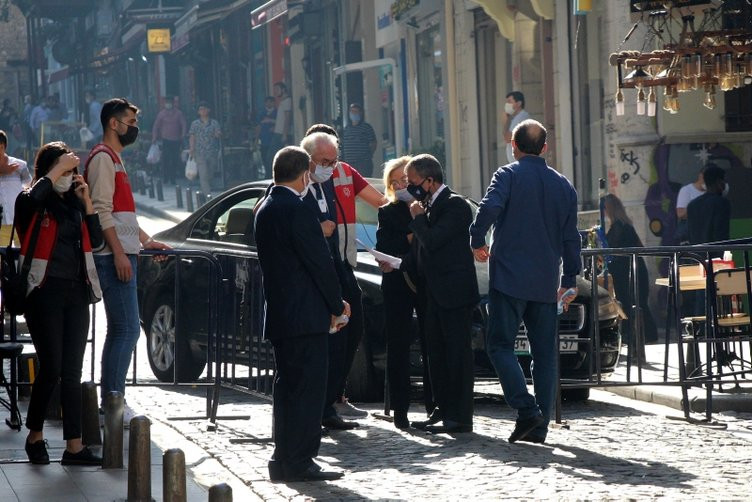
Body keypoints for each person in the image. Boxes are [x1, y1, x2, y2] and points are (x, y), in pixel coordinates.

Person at [470, 119, 580, 444]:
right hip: (547, 280)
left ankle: (526, 410)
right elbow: (571, 238)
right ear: (545, 148)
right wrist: (570, 277)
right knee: (545, 355)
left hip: (509, 278)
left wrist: (477, 238)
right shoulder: (564, 185)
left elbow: (489, 208)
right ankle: (540, 427)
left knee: (500, 346)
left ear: (513, 147)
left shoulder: (507, 175)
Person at [255, 145, 349, 482]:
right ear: (304, 174)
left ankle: (284, 458)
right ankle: (301, 460)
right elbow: (319, 263)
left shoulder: (265, 206)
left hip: (281, 314)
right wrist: (337, 305)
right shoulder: (296, 209)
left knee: (287, 390)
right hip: (306, 315)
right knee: (308, 391)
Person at [16, 142, 103, 465]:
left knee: (71, 371)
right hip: (44, 291)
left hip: (77, 293)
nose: (69, 175)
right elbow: (28, 201)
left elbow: (95, 241)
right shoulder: (34, 202)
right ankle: (35, 436)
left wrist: (88, 203)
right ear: (49, 172)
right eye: (64, 170)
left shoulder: (74, 204)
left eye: (71, 170)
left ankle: (74, 446)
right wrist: (54, 172)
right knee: (50, 367)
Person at [381, 154, 479, 434]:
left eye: (412, 182)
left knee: (456, 354)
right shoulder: (427, 207)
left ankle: (460, 416)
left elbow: (433, 241)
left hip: (454, 293)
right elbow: (420, 253)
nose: (408, 188)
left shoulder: (455, 205)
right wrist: (397, 264)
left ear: (430, 181)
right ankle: (442, 408)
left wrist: (418, 218)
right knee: (435, 353)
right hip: (433, 292)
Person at [85, 98, 170, 415]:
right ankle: (112, 398)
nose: (134, 128)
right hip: (112, 257)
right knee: (127, 329)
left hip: (120, 253)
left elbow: (124, 217)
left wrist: (148, 241)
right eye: (130, 122)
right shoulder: (104, 159)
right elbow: (102, 213)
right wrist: (119, 254)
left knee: (122, 329)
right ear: (113, 123)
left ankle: (112, 396)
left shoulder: (114, 159)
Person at [302, 124, 386, 420]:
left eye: (333, 160)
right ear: (309, 158)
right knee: (332, 335)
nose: (330, 167)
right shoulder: (301, 184)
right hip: (320, 267)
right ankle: (325, 404)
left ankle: (335, 396)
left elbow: (378, 201)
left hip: (342, 262)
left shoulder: (344, 173)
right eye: (325, 162)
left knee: (353, 326)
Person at [375, 155, 434, 429]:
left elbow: (432, 239)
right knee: (397, 344)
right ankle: (400, 410)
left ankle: (435, 405)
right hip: (397, 281)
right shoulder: (387, 211)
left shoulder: (428, 205)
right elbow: (385, 243)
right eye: (394, 181)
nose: (400, 184)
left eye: (404, 180)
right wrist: (411, 237)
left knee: (430, 341)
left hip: (425, 279)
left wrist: (411, 236)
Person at [603, 194, 658, 346]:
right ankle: (641, 335)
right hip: (628, 269)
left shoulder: (621, 227)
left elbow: (635, 247)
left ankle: (641, 335)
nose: (605, 212)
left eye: (606, 208)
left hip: (629, 270)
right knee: (632, 303)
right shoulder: (621, 226)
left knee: (634, 303)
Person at [0, 129, 31, 245]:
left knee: (21, 257)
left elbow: (29, 187)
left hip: (19, 222)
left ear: (2, 147)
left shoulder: (20, 166)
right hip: (1, 225)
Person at [687, 164, 730, 249]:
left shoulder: (692, 205)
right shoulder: (722, 203)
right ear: (718, 182)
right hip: (715, 257)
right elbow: (721, 234)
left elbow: (690, 234)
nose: (725, 184)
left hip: (696, 256)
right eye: (723, 181)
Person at [151, 96, 187, 184]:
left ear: (173, 103)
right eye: (167, 103)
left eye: (170, 102)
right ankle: (166, 177)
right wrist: (154, 137)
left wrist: (183, 135)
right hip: (165, 140)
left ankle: (173, 178)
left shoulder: (179, 113)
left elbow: (183, 124)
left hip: (176, 140)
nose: (168, 104)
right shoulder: (161, 114)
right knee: (166, 159)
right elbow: (156, 126)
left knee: (175, 159)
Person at [189, 101, 222, 194]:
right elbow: (192, 136)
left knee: (211, 171)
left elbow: (218, 133)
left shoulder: (214, 123)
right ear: (198, 112)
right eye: (200, 109)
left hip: (212, 152)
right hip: (199, 152)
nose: (202, 111)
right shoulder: (195, 123)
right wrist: (191, 148)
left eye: (204, 109)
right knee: (203, 174)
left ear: (208, 110)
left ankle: (207, 186)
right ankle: (208, 195)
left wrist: (218, 134)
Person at [341, 103, 377, 177]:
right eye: (352, 111)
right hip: (350, 163)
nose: (353, 113)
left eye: (356, 111)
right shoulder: (347, 129)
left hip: (363, 164)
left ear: (360, 113)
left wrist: (368, 155)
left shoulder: (366, 128)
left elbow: (373, 143)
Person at [675, 167, 705, 244]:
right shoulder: (687, 190)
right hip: (691, 233)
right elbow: (680, 214)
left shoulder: (712, 192)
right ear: (700, 176)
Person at [503, 91, 530, 165]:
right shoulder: (516, 118)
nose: (507, 105)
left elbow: (508, 138)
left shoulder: (521, 117)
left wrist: (505, 122)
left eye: (510, 102)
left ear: (518, 103)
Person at [256, 96, 277, 172]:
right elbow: (258, 126)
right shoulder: (261, 113)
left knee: (273, 157)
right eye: (267, 102)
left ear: (273, 103)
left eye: (270, 102)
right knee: (264, 157)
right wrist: (256, 139)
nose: (268, 103)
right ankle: (267, 173)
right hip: (264, 139)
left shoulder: (277, 112)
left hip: (274, 139)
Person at [271, 82, 292, 151]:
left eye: (277, 89)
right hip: (278, 131)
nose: (275, 92)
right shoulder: (282, 101)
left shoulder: (287, 101)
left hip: (281, 133)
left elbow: (287, 118)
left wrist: (284, 134)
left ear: (283, 90)